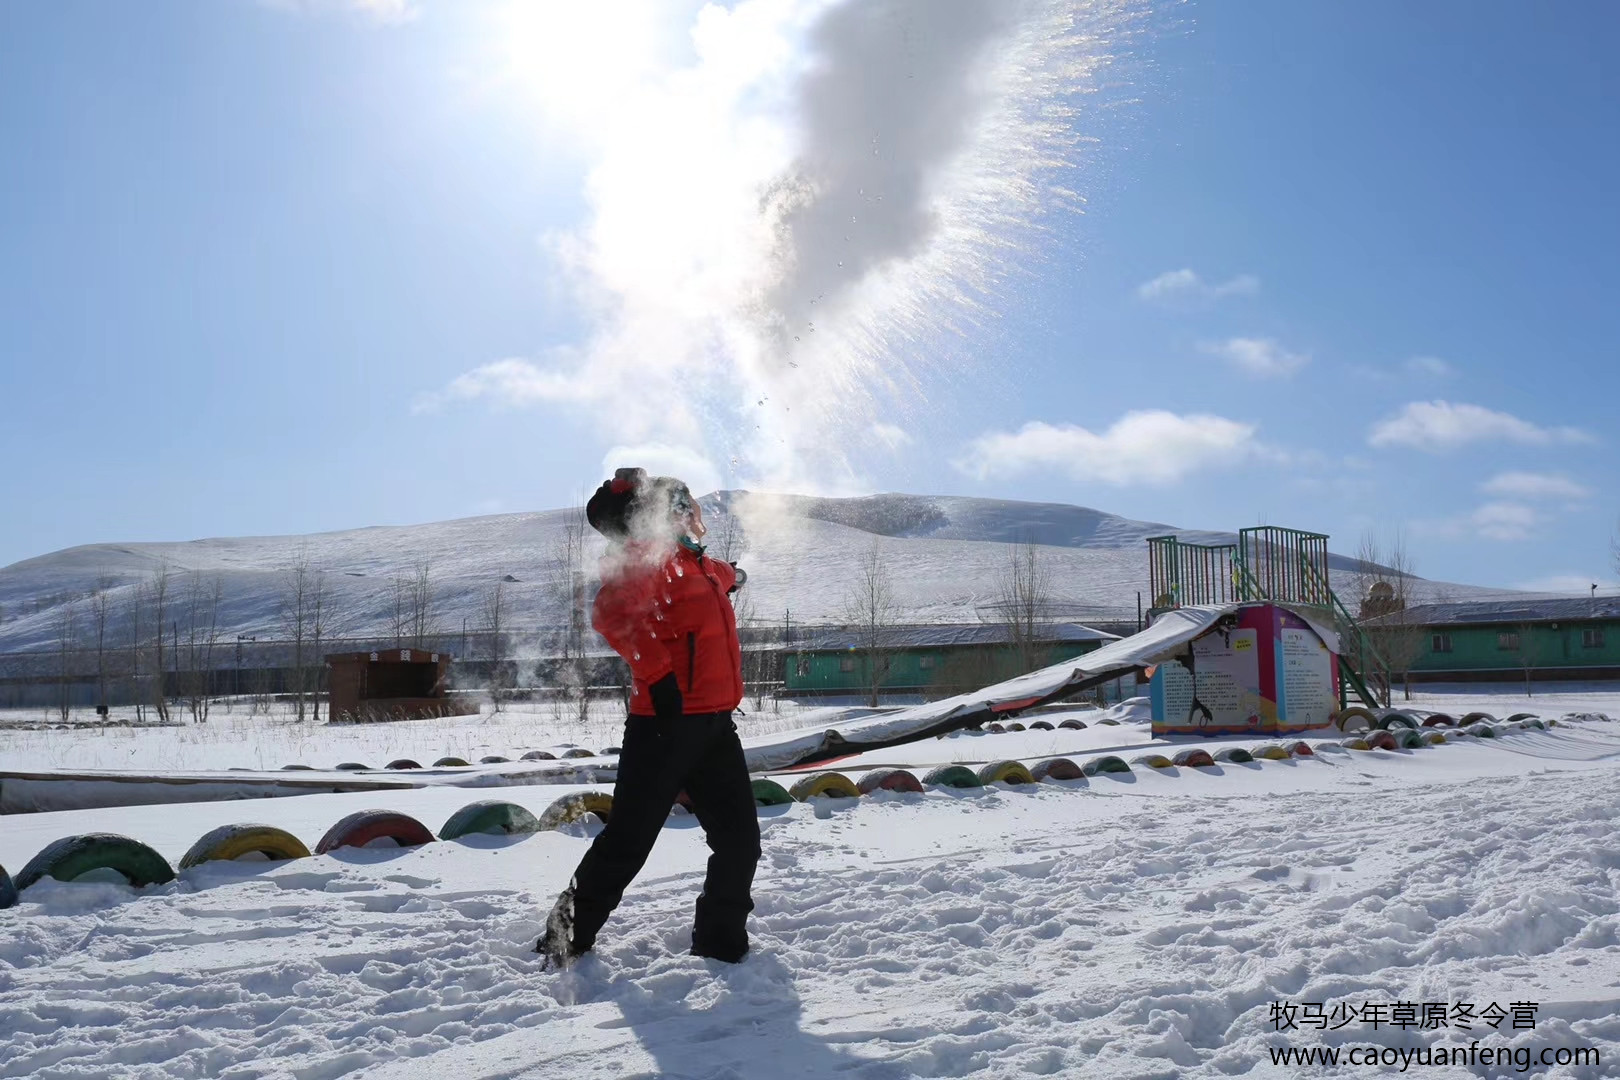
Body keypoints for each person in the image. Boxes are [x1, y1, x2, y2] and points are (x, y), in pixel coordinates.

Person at [536, 468, 760, 968]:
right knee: (627, 843)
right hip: (662, 726)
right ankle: (562, 939)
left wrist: (737, 576)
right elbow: (611, 614)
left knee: (741, 843)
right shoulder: (645, 560)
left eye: (688, 509)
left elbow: (723, 575)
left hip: (715, 727)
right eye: (679, 508)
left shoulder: (698, 564)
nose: (688, 516)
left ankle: (721, 945)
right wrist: (658, 676)